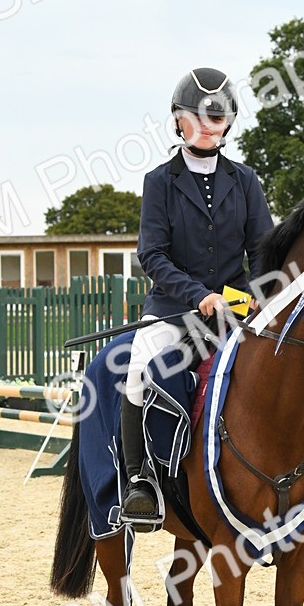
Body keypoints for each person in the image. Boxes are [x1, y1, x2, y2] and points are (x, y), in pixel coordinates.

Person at [120, 67, 273, 528]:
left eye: (218, 118)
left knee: (291, 365)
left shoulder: (245, 180)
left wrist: (247, 296)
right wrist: (199, 295)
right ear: (177, 121)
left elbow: (263, 250)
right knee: (138, 369)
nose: (208, 126)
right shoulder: (160, 182)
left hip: (234, 308)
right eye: (199, 117)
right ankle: (140, 481)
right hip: (173, 307)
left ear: (229, 123)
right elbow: (154, 255)